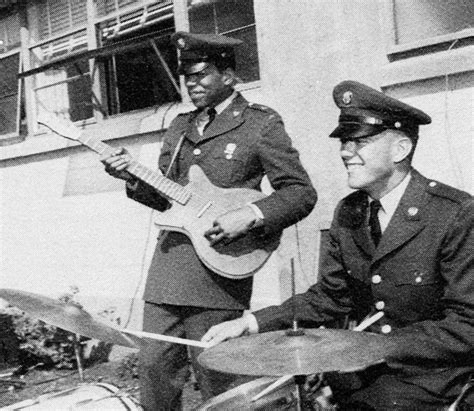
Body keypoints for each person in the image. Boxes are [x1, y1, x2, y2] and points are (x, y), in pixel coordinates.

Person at [202, 80, 474, 410]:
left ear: (400, 149)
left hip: (432, 381)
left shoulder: (454, 214)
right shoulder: (350, 211)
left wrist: (377, 348)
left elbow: (466, 326)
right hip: (362, 378)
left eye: (360, 141)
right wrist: (251, 323)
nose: (346, 152)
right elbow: (331, 296)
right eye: (345, 141)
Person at [100, 31, 317, 410]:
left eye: (201, 75)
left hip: (220, 270)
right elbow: (166, 198)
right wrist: (130, 177)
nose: (192, 84)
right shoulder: (180, 127)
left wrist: (250, 215)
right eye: (186, 77)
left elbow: (300, 193)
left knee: (218, 377)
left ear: (229, 76)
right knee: (153, 371)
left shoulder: (259, 124)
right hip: (168, 269)